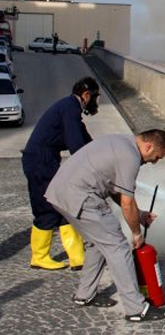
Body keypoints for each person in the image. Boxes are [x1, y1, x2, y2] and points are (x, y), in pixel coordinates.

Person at [45, 129, 165, 322]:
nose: (153, 162)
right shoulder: (130, 156)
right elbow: (127, 202)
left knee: (98, 242)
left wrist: (139, 215)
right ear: (149, 146)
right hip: (80, 196)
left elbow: (116, 191)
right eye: (156, 157)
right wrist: (137, 234)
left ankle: (84, 295)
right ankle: (136, 309)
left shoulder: (121, 142)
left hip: (59, 193)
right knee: (118, 246)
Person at [22, 76, 101, 271]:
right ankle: (39, 256)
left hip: (46, 159)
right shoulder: (70, 109)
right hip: (40, 161)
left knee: (63, 204)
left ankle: (77, 258)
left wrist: (101, 156)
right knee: (47, 207)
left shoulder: (70, 108)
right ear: (86, 95)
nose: (95, 102)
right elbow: (76, 146)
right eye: (95, 97)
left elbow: (86, 141)